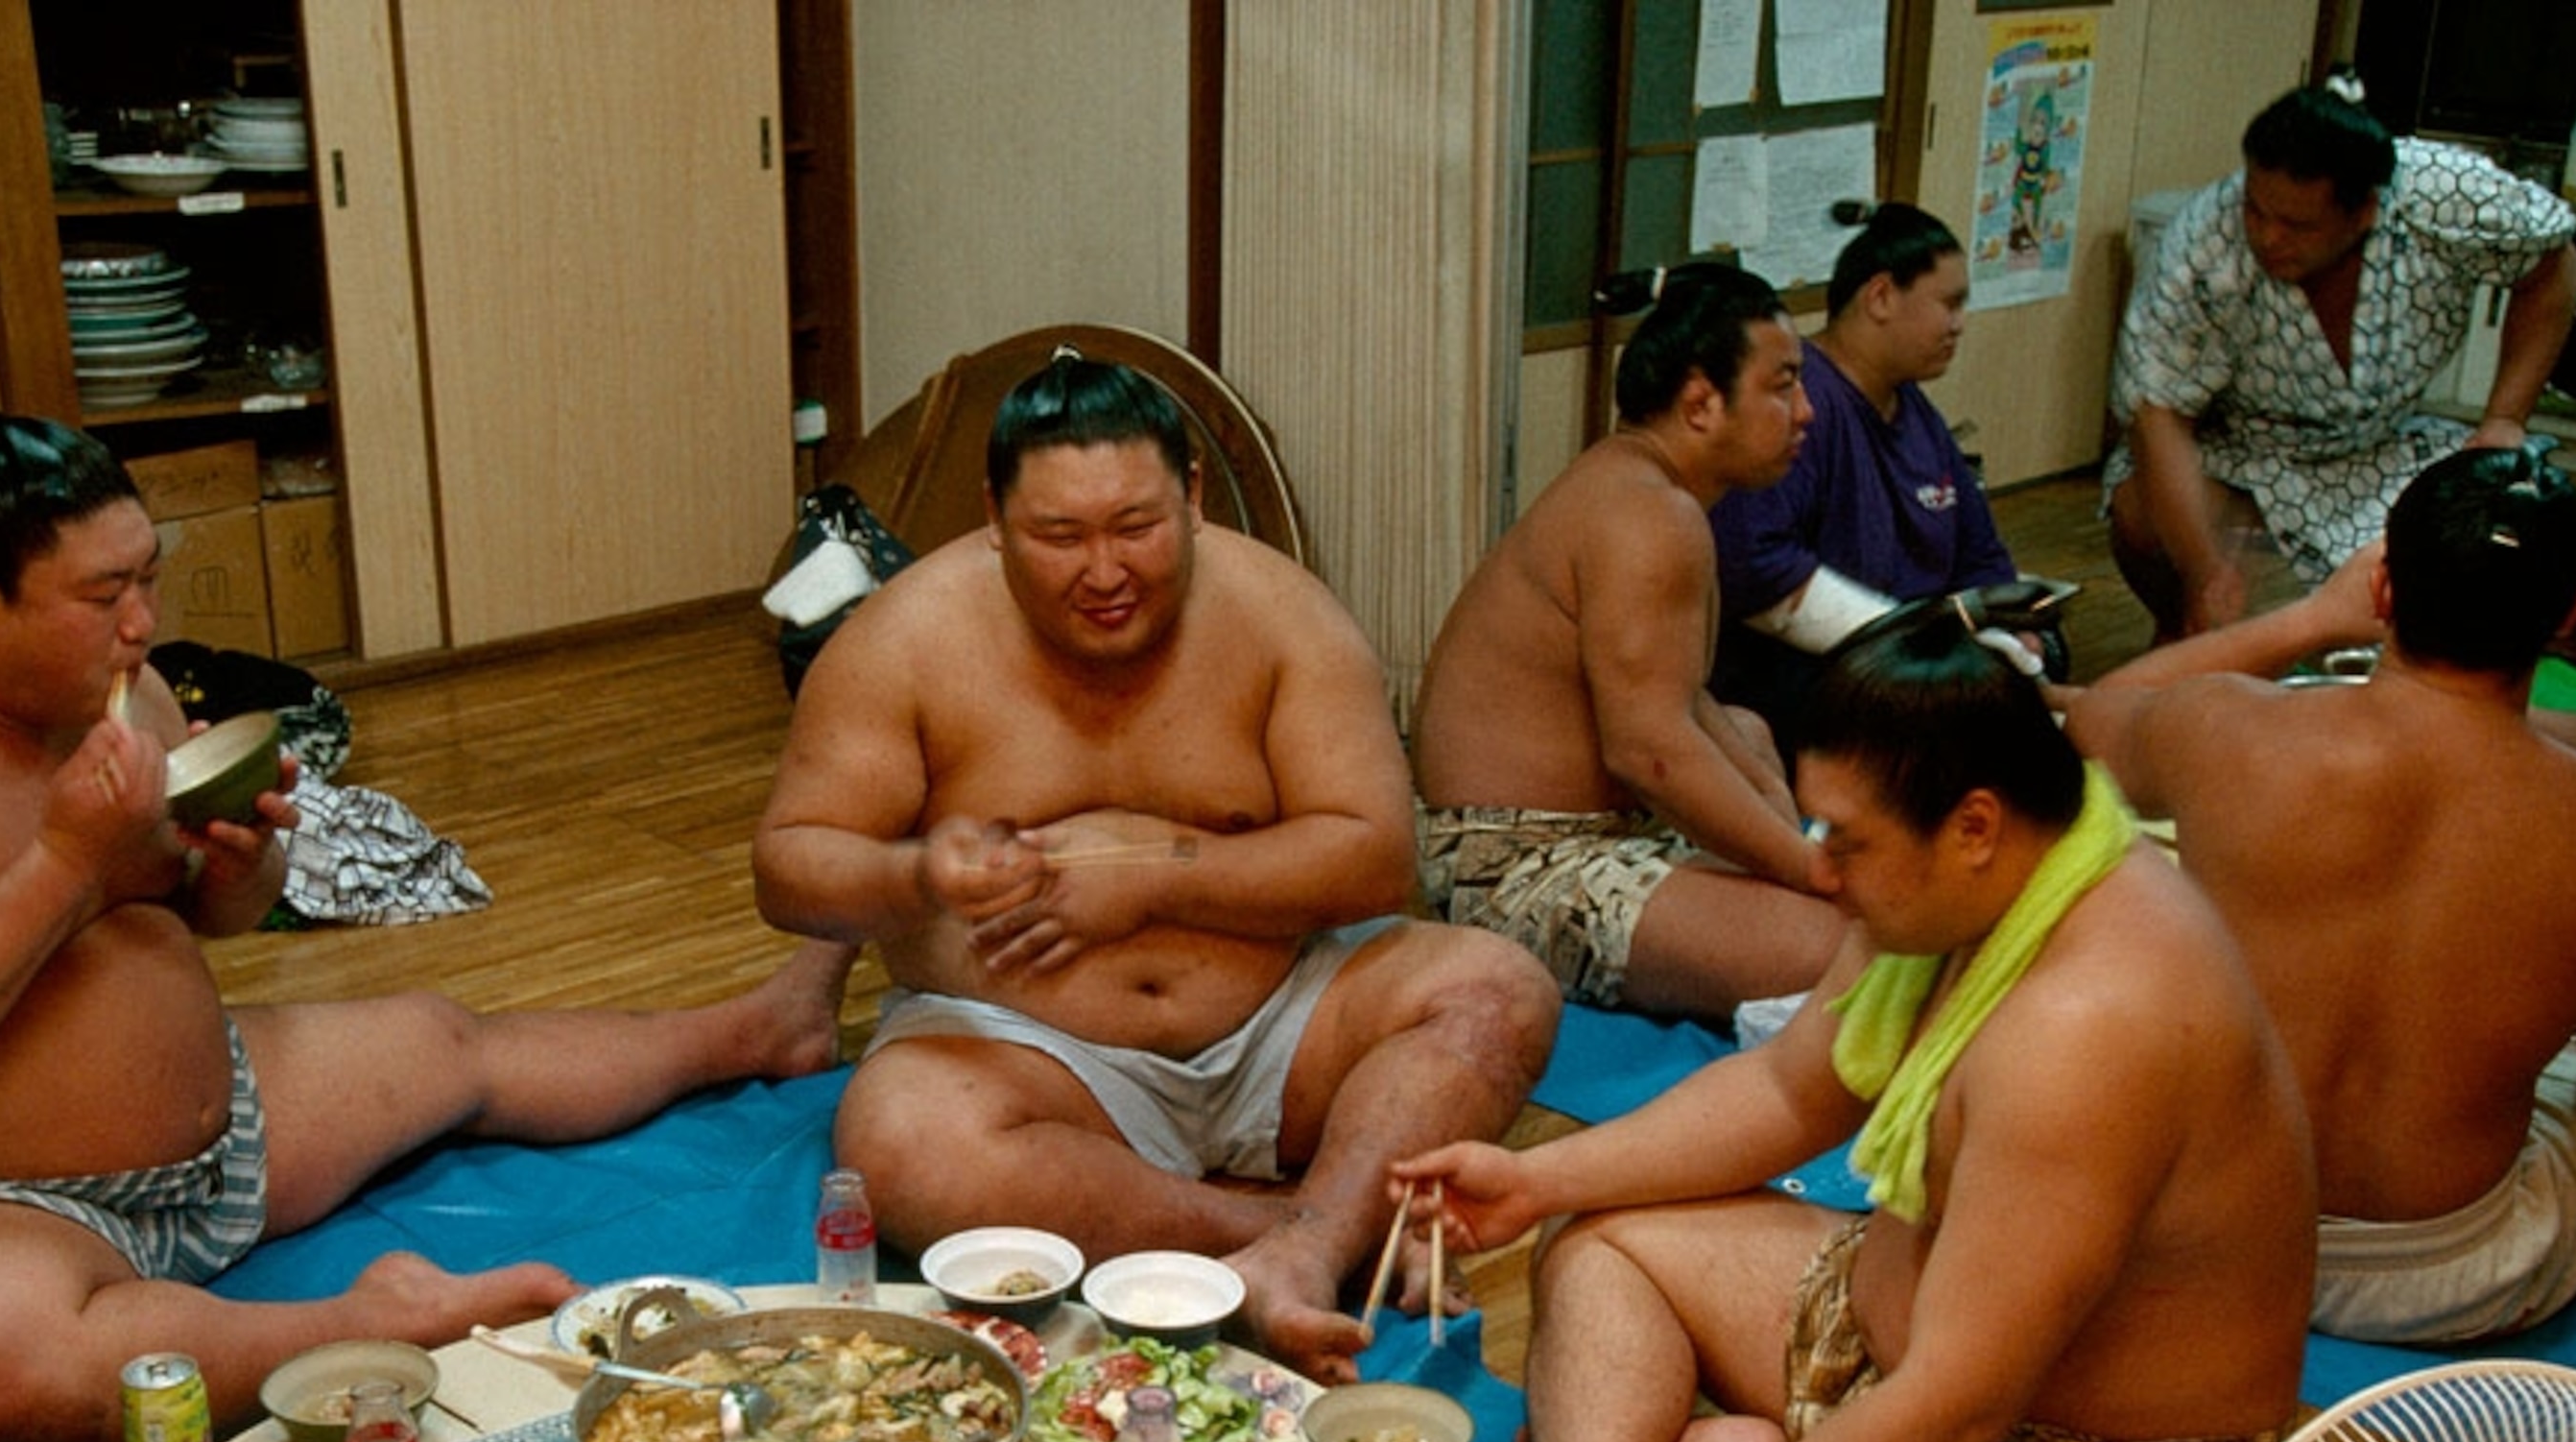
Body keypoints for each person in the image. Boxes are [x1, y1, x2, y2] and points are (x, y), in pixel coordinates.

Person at [0, 401, 855, 1442]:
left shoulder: (120, 689)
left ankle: (753, 1030)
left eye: (148, 576)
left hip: (219, 1126)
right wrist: (64, 861)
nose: (143, 625)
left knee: (448, 1043)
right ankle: (366, 1328)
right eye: (103, 596)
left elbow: (192, 909)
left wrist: (243, 869)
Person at [1396, 613, 2315, 1442]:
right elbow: (1789, 1089)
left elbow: (1954, 1404)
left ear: (1974, 824)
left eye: (1847, 839)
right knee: (1605, 1240)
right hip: (1869, 1334)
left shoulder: (2094, 1023)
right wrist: (1532, 1177)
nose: (1820, 872)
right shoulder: (1956, 882)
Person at [751, 352, 1560, 1382]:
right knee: (904, 1141)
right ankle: (1294, 1229)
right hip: (1033, 1052)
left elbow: (1373, 858)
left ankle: (1305, 1249)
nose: (1104, 571)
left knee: (1497, 987)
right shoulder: (904, 638)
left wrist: (1156, 872)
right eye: (1059, 536)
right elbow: (789, 869)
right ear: (995, 519)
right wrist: (921, 872)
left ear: (1192, 496)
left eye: (1136, 526)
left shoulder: (1280, 613)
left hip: (1284, 1024)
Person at [2068, 446, 2576, 1344]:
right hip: (2447, 1279)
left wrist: (2317, 617)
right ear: (2572, 614)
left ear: (2385, 591)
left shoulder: (2226, 730)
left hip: (2204, 1236)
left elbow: (2096, 715)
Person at [1411, 261, 1846, 1022]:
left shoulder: (1645, 489)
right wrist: (1808, 870)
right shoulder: (1648, 516)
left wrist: (1786, 836)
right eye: (1782, 385)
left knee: (1748, 729)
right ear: (1701, 403)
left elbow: (1685, 703)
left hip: (1598, 829)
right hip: (1512, 867)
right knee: (1850, 948)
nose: (1805, 411)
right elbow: (1650, 755)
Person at [2107, 80, 2576, 638]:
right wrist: (2204, 569)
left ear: (2364, 212)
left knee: (2502, 519)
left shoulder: (2444, 192)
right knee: (2140, 511)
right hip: (2241, 453)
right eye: (2256, 210)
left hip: (2384, 449)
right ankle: (2192, 643)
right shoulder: (2203, 243)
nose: (2267, 235)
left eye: (2298, 226)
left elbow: (2554, 265)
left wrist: (2504, 418)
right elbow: (2158, 416)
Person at [1708, 204, 2048, 741]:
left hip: (1915, 654)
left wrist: (2009, 627)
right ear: (1882, 296)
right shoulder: (1804, 403)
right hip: (1816, 676)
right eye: (1949, 304)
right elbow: (1753, 563)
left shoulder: (1916, 411)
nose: (1959, 324)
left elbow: (1979, 556)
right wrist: (1906, 645)